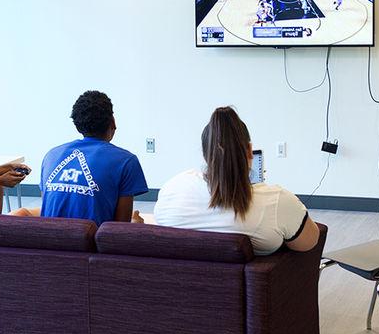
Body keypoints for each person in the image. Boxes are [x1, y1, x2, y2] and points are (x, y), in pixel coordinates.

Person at [154, 106, 320, 255]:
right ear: (249, 151)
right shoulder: (277, 202)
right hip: (250, 289)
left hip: (181, 288)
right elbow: (308, 243)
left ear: (205, 155)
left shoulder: (172, 189)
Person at [38, 90, 148, 226]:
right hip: (92, 246)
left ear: (77, 126)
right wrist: (135, 223)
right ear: (112, 122)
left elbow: (48, 211)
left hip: (48, 244)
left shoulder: (51, 156)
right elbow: (119, 230)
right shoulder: (126, 161)